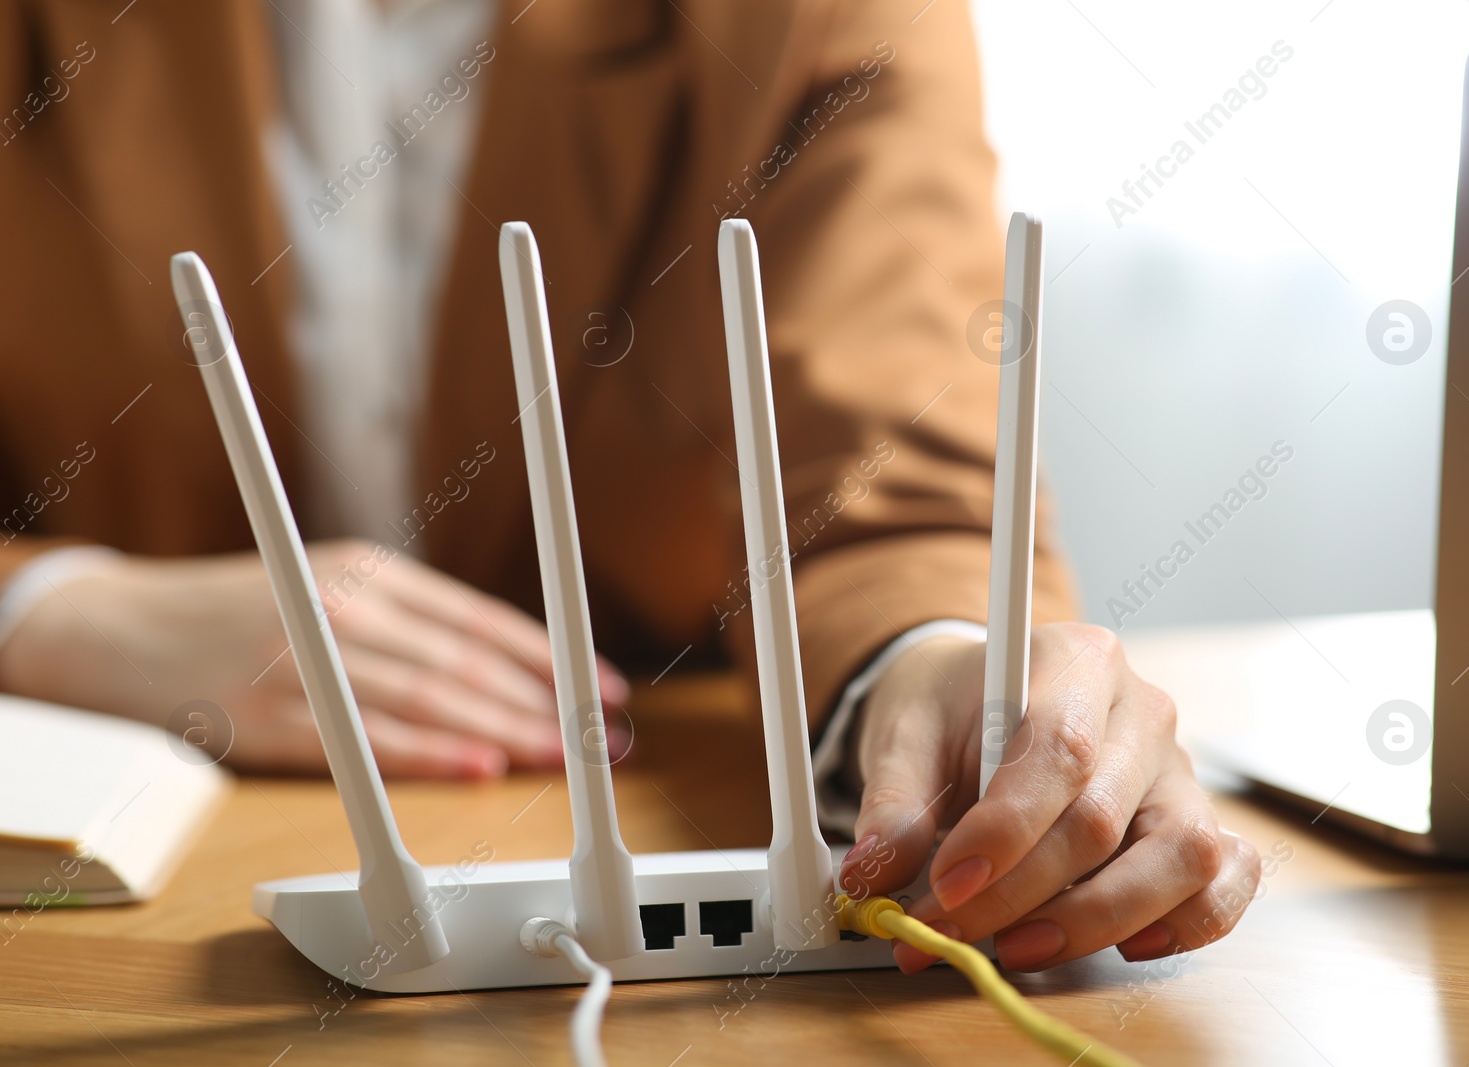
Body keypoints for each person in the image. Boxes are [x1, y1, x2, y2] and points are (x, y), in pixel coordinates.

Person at [0, 0, 1258, 973]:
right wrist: (50, 609)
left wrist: (931, 662)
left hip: (658, 795)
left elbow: (887, 457)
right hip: (136, 875)